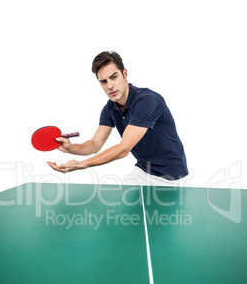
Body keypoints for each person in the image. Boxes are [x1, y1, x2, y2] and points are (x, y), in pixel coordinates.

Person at [47, 51, 188, 185]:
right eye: (103, 81)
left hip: (172, 175)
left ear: (124, 74)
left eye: (114, 77)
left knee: (162, 211)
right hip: (144, 170)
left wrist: (81, 164)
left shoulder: (148, 101)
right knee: (124, 204)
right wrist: (71, 148)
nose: (110, 86)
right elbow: (95, 144)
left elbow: (124, 149)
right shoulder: (110, 108)